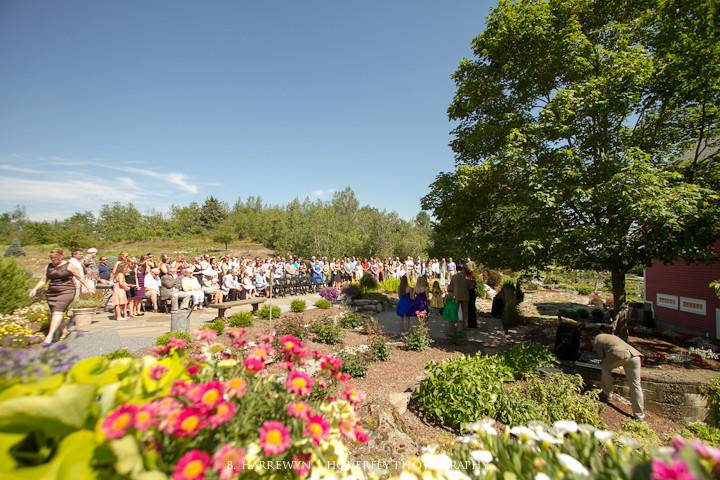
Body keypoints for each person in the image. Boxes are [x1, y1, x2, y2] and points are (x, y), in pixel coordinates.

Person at [29, 248, 95, 345]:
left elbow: (80, 277)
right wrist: (35, 288)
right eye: (52, 258)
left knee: (57, 312)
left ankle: (49, 336)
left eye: (56, 257)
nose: (53, 259)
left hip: (67, 291)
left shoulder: (69, 266)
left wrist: (88, 288)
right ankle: (64, 331)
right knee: (55, 313)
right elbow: (44, 280)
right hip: (52, 292)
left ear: (61, 256)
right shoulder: (49, 266)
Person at [593, 333, 645, 420]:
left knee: (604, 368)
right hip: (636, 357)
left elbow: (602, 358)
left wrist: (616, 363)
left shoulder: (596, 339)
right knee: (636, 385)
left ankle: (607, 394)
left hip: (622, 355)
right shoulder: (611, 337)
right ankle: (639, 416)